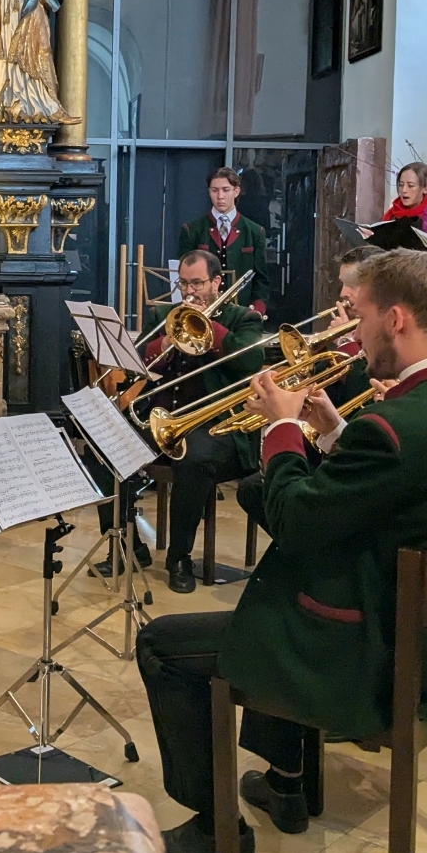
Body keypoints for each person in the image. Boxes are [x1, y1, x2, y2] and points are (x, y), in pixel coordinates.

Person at [135, 251, 427, 853]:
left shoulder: (397, 424)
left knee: (164, 645)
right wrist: (335, 432)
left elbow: (295, 522)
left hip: (365, 648)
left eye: (361, 316)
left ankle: (214, 830)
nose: (356, 331)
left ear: (395, 319)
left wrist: (279, 428)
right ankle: (287, 782)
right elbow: (397, 490)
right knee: (272, 597)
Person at [142, 249, 265, 594]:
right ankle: (126, 544)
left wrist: (209, 329)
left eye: (197, 283)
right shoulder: (166, 315)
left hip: (219, 426)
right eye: (183, 283)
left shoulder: (243, 318)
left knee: (193, 460)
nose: (189, 291)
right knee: (107, 442)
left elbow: (251, 360)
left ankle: (179, 558)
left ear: (216, 282)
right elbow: (138, 357)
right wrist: (167, 341)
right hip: (166, 418)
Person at [235, 245, 379, 539]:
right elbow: (319, 389)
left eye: (352, 284)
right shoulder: (345, 335)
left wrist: (348, 344)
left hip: (351, 455)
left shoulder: (377, 341)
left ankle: (306, 553)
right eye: (342, 283)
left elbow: (366, 394)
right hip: (325, 443)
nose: (343, 293)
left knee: (269, 493)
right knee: (253, 489)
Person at [177, 168, 271, 316]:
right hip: (200, 311)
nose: (220, 196)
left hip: (241, 313)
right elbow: (183, 276)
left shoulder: (255, 231)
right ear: (209, 192)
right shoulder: (192, 230)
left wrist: (257, 310)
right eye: (215, 190)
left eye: (226, 190)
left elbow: (261, 278)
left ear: (236, 191)